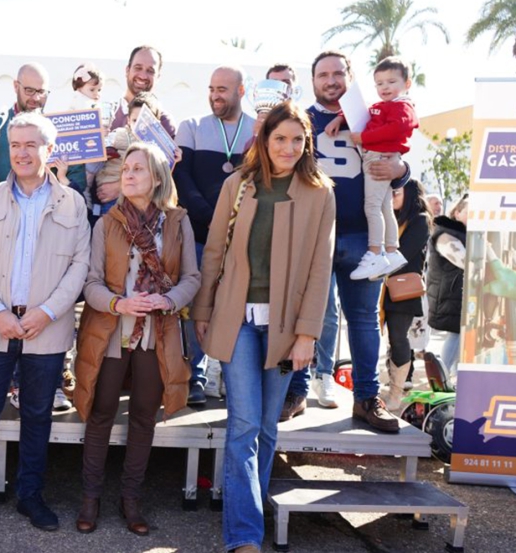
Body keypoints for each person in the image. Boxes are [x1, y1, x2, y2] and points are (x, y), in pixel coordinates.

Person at [193, 101, 335, 553]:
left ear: (306, 143)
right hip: (238, 320)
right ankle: (245, 535)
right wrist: (202, 310)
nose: (289, 147)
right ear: (264, 140)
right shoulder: (237, 184)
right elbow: (213, 251)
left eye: (297, 139)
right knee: (244, 424)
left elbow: (320, 269)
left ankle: (248, 506)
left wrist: (307, 334)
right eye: (280, 138)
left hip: (288, 327)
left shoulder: (320, 193)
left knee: (268, 428)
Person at [0, 112, 90, 533]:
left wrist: (46, 312)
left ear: (49, 150)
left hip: (47, 327)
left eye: (32, 144)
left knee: (38, 414)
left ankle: (31, 495)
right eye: (17, 145)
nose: (23, 152)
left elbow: (80, 265)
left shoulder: (72, 203)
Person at [73, 142, 200, 536]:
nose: (127, 175)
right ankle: (90, 498)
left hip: (157, 334)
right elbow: (90, 282)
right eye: (125, 168)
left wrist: (167, 299)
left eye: (137, 169)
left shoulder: (178, 222)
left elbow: (192, 278)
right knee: (100, 413)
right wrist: (118, 303)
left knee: (145, 416)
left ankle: (132, 499)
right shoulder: (106, 223)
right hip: (112, 331)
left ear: (158, 177)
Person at [283, 51, 412, 432]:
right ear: (313, 80)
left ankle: (367, 398)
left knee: (364, 320)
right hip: (313, 235)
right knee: (305, 319)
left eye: (338, 73)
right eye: (323, 74)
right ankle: (296, 390)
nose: (331, 80)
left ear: (350, 77)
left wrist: (401, 169)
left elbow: (398, 162)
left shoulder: (373, 113)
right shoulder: (299, 118)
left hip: (362, 236)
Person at [174, 66, 257, 405]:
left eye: (222, 88)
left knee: (236, 306)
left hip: (245, 237)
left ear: (241, 90)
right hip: (199, 233)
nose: (215, 95)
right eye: (211, 88)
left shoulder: (260, 130)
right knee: (197, 305)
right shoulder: (191, 127)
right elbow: (183, 179)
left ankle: (231, 380)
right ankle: (195, 376)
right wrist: (214, 220)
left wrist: (235, 224)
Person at [326, 57, 417, 281]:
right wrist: (340, 118)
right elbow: (364, 112)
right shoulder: (382, 106)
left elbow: (397, 128)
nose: (385, 87)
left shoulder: (402, 107)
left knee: (373, 207)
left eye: (391, 82)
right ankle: (392, 251)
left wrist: (364, 137)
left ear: (407, 83)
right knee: (384, 206)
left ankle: (376, 252)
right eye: (380, 83)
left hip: (379, 158)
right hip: (377, 157)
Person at [0, 62, 85, 196]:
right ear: (16, 86)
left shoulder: (61, 129)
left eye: (41, 92)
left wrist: (60, 182)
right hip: (0, 210)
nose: (35, 98)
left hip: (47, 211)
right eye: (29, 90)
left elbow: (78, 181)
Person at [378, 179, 432, 411]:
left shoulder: (420, 220)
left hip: (403, 290)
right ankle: (390, 387)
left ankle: (396, 393)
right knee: (391, 340)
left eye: (396, 193)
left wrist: (377, 263)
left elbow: (404, 253)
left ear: (410, 194)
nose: (392, 197)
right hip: (385, 288)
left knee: (398, 339)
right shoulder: (394, 218)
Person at [92, 94, 162, 222]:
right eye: (136, 120)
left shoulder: (158, 145)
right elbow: (98, 147)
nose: (140, 126)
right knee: (113, 228)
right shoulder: (119, 135)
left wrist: (176, 156)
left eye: (145, 121)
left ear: (156, 122)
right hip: (112, 196)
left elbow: (163, 174)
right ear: (129, 120)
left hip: (142, 199)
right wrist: (101, 139)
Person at [427, 194, 467, 378]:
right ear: (457, 213)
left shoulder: (463, 234)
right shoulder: (445, 234)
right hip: (451, 296)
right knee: (456, 336)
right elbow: (465, 261)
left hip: (459, 296)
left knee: (461, 338)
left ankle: (452, 381)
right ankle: (441, 382)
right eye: (470, 211)